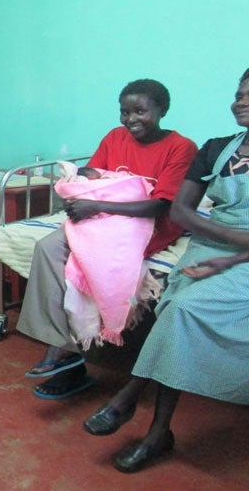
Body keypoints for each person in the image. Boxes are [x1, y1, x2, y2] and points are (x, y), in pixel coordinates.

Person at [82, 68, 249, 473]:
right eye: (238, 93)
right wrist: (235, 240)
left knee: (178, 311)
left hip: (237, 255)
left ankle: (136, 404)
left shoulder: (185, 146)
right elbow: (179, 210)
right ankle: (156, 430)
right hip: (208, 247)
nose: (239, 102)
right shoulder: (215, 149)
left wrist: (239, 252)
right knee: (177, 306)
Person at [17, 79, 198, 400]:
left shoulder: (180, 147)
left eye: (140, 111)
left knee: (95, 262)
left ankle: (65, 350)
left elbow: (161, 205)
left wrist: (95, 204)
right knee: (47, 248)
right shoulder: (116, 137)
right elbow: (94, 172)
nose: (130, 120)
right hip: (104, 219)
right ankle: (61, 344)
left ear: (162, 111)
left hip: (149, 224)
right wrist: (78, 180)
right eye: (124, 112)